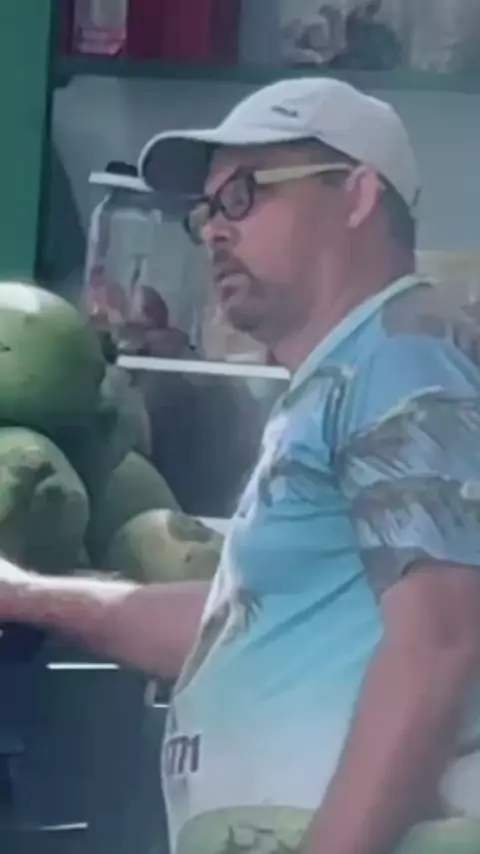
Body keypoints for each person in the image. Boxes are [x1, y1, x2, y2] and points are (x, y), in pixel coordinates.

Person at [1, 77, 480, 854]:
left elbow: (441, 643)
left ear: (358, 196)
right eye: (206, 211)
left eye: (244, 196)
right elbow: (238, 625)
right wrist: (29, 595)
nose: (214, 231)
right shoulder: (343, 381)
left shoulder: (402, 360)